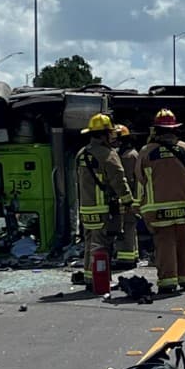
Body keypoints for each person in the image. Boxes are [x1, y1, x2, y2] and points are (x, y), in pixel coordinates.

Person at [137, 108, 185, 294]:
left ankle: (167, 282)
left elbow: (140, 178)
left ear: (155, 130)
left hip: (157, 207)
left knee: (165, 243)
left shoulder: (147, 151)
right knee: (184, 241)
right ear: (175, 129)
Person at [75, 113, 135, 274]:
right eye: (110, 133)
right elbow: (119, 179)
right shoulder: (107, 154)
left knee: (90, 243)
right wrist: (128, 201)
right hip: (104, 209)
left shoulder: (82, 153)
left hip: (86, 208)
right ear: (104, 135)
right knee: (102, 245)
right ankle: (99, 278)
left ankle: (90, 276)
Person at [113, 124, 142, 269]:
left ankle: (125, 259)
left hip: (128, 198)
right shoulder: (131, 154)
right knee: (130, 226)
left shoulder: (127, 156)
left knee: (126, 227)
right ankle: (133, 255)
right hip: (131, 198)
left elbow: (127, 180)